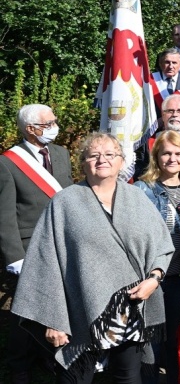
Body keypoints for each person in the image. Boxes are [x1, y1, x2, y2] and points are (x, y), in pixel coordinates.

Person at [12, 132, 174, 382]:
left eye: (110, 154)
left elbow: (162, 246)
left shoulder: (137, 198)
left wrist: (154, 279)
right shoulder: (64, 202)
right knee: (76, 378)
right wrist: (53, 318)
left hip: (130, 308)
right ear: (83, 162)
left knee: (128, 377)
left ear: (121, 161)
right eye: (94, 155)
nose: (102, 160)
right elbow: (45, 262)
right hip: (80, 311)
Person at [1, 104, 74, 384]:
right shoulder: (7, 163)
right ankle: (19, 365)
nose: (55, 126)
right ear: (30, 129)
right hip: (30, 245)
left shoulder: (61, 153)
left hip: (62, 240)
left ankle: (50, 355)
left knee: (59, 302)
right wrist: (14, 257)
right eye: (49, 123)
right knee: (26, 308)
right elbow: (5, 216)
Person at [135, 131, 180, 384]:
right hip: (152, 278)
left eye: (178, 153)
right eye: (166, 153)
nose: (172, 158)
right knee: (150, 343)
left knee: (175, 340)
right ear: (156, 157)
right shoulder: (142, 189)